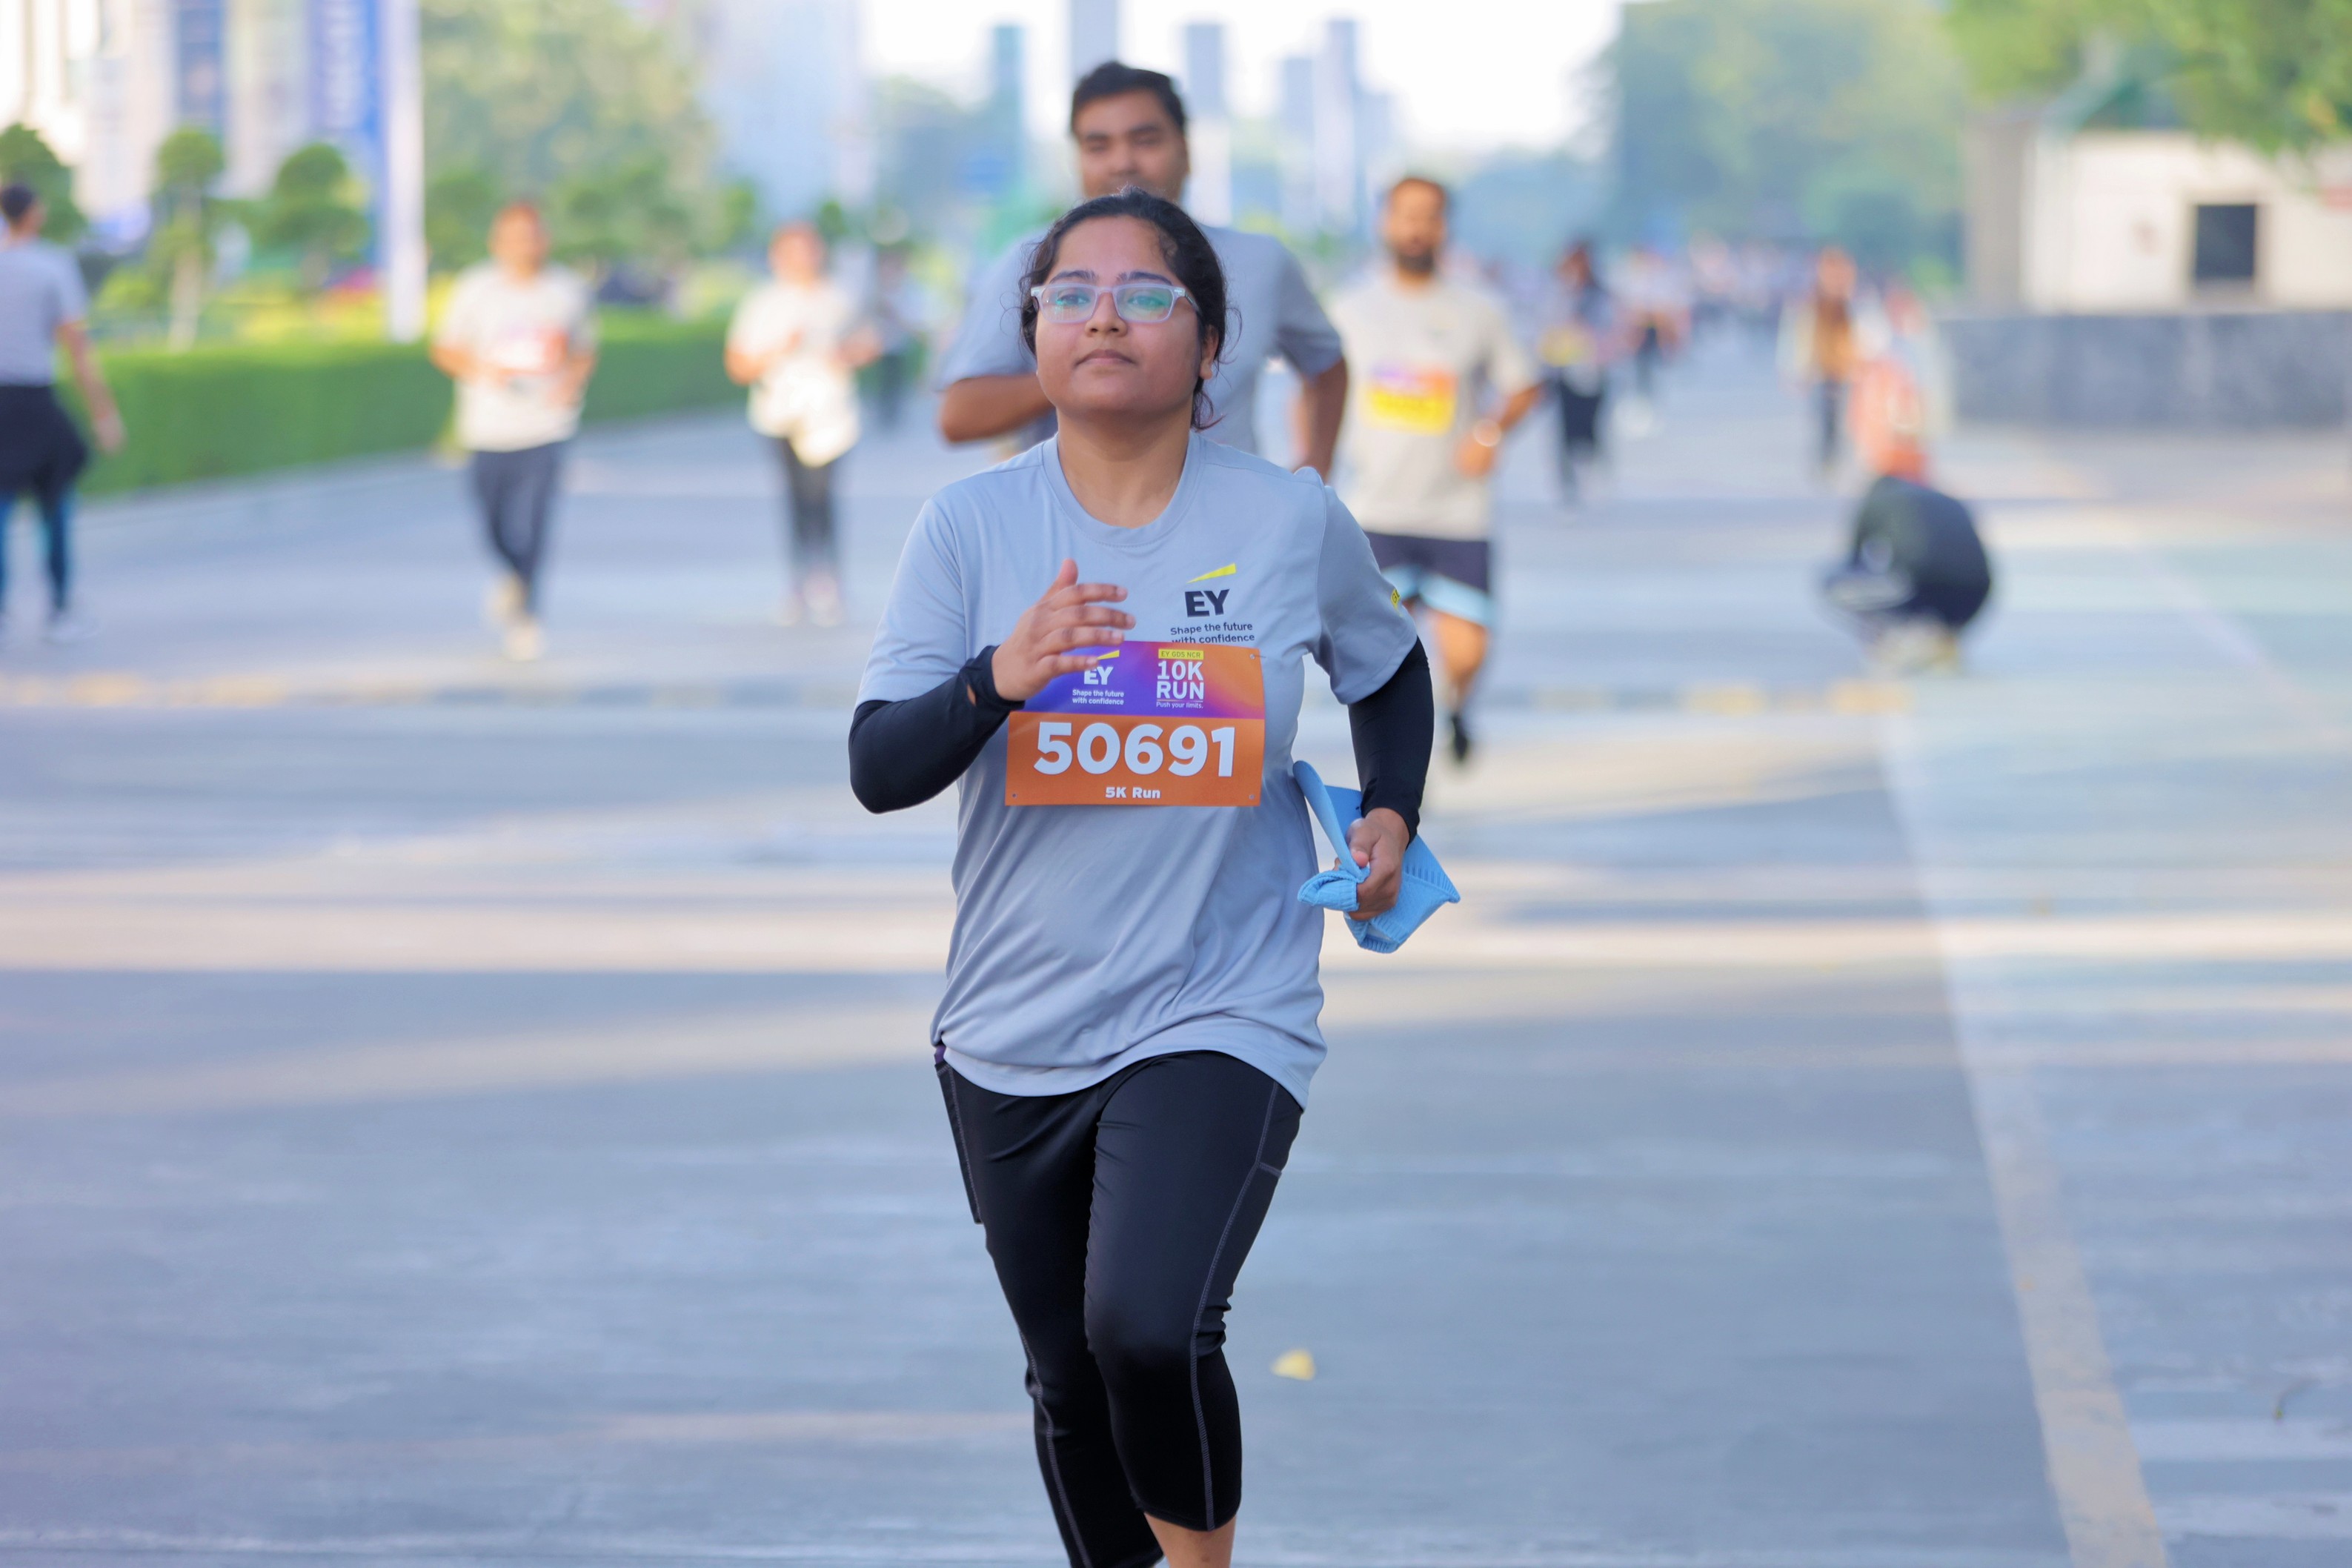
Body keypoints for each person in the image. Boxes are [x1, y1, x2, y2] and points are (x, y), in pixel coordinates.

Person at [851, 188, 1432, 1568]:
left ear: (1210, 342)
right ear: (1033, 333)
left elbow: (1388, 668)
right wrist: (1000, 676)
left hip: (1220, 1005)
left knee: (1149, 1326)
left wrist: (1391, 812)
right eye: (1070, 293)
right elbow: (878, 765)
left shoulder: (1285, 520)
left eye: (1144, 294)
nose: (1102, 316)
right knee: (1068, 1372)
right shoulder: (968, 529)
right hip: (1011, 1024)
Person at [936, 62, 1348, 476]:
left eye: (1146, 141)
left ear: (1186, 152)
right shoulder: (1036, 260)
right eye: (1098, 146)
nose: (1123, 162)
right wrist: (1092, 367)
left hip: (1231, 512)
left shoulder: (1262, 262)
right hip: (1079, 513)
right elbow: (959, 415)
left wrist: (1315, 469)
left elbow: (1327, 364)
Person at [1330, 176, 1542, 765]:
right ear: (1385, 223)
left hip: (1457, 510)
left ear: (1446, 226)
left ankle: (1455, 706)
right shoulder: (1349, 309)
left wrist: (1491, 433)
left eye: (1430, 216)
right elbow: (1317, 387)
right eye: (1406, 215)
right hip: (1377, 510)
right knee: (1380, 657)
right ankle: (1397, 766)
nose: (1417, 228)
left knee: (1467, 652)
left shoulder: (1479, 309)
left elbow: (1524, 385)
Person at [429, 202, 597, 662]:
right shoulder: (475, 289)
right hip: (488, 426)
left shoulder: (566, 291)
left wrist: (569, 383)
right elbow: (444, 349)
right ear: (496, 242)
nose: (523, 245)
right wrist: (485, 370)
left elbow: (583, 350)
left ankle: (529, 613)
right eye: (513, 236)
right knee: (492, 522)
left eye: (530, 235)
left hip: (546, 424)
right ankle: (512, 577)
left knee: (538, 521)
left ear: (545, 239)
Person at [726, 221, 880, 627]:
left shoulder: (838, 299)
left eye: (808, 249)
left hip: (830, 417)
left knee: (822, 495)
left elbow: (870, 343)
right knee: (795, 498)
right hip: (778, 413)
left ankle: (827, 578)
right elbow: (738, 365)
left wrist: (846, 354)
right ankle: (798, 578)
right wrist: (782, 348)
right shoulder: (762, 303)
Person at [1821, 313, 1991, 674]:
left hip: (1924, 591)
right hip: (1977, 598)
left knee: (1834, 581)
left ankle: (1897, 636)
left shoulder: (1877, 495)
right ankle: (1941, 635)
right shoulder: (1942, 495)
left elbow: (1853, 561)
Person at [0, 182, 123, 645]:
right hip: (35, 400)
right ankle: (60, 608)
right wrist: (104, 414)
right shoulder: (51, 265)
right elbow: (78, 349)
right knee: (55, 506)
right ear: (33, 214)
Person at [1778, 245, 1882, 479]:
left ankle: (1848, 459)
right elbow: (1797, 335)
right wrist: (1795, 369)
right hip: (1821, 370)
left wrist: (1867, 361)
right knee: (1824, 417)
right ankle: (1827, 460)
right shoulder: (1810, 302)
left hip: (1850, 370)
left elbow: (1871, 333)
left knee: (1850, 418)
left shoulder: (1857, 299)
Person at [1537, 239, 1616, 504]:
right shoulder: (1556, 293)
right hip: (1563, 369)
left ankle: (1591, 471)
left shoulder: (1599, 295)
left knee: (1589, 426)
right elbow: (1545, 328)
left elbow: (1610, 329)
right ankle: (1568, 484)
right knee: (1565, 430)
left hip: (1593, 369)